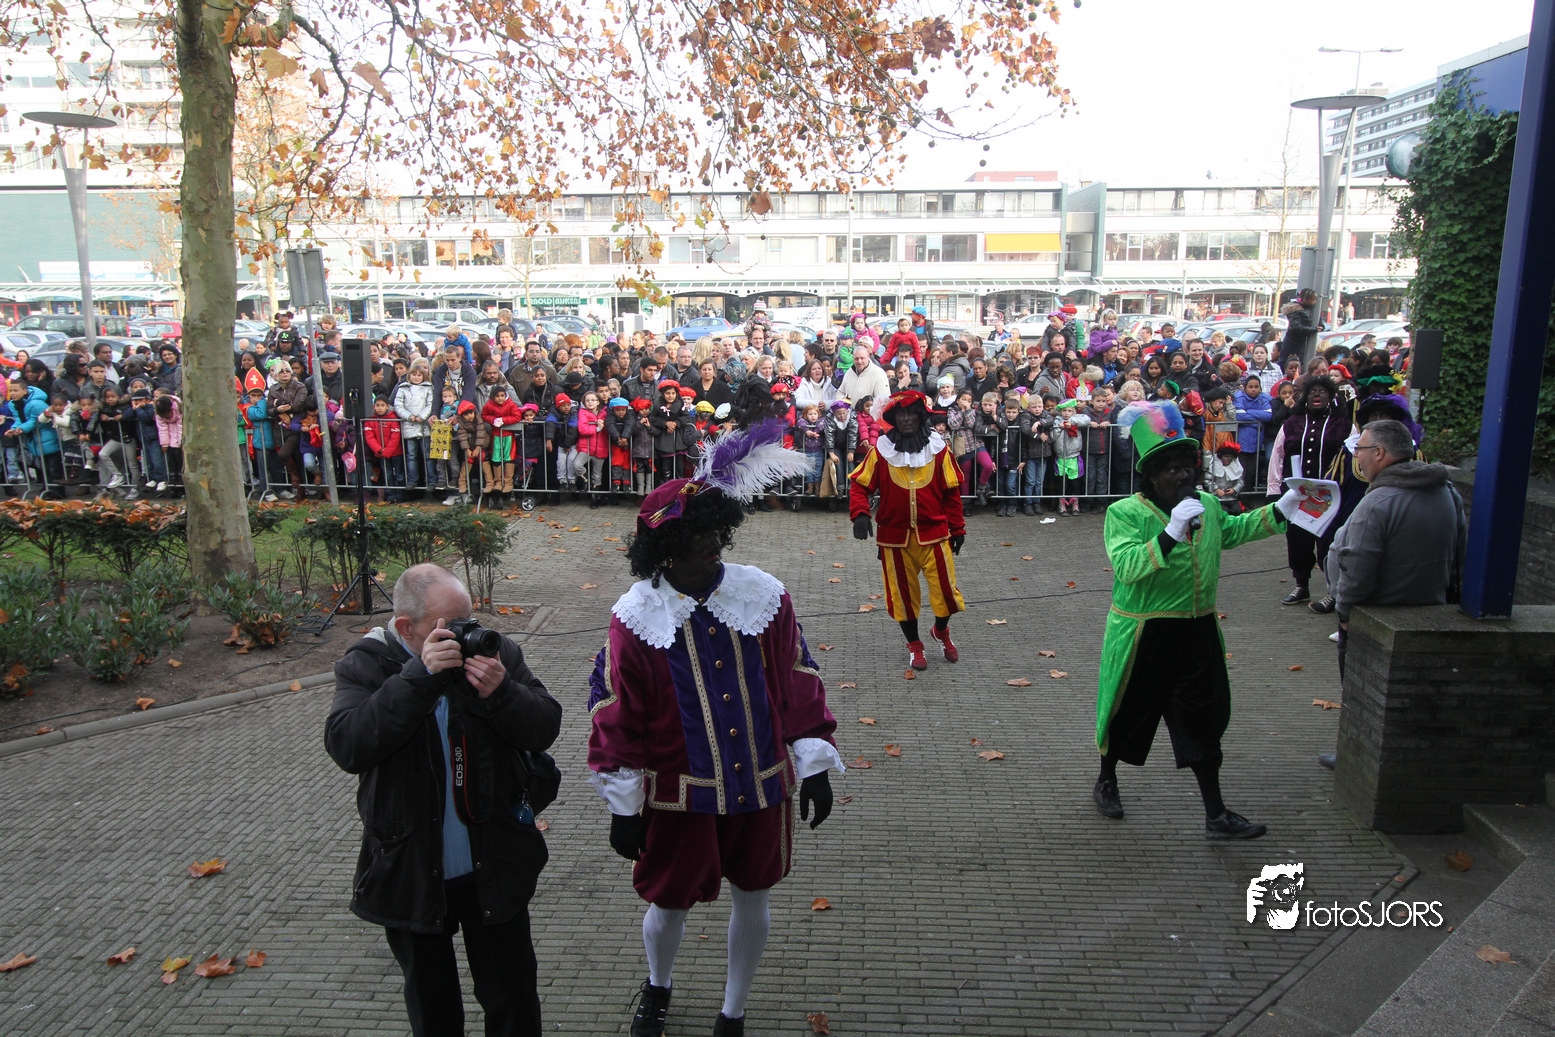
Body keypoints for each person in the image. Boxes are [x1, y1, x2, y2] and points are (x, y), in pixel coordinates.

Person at [586, 427, 840, 1037]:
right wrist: (623, 805)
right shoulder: (636, 619)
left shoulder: (763, 595)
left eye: (712, 531)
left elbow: (798, 677)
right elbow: (615, 712)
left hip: (762, 785)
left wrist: (814, 762)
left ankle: (734, 1011)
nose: (708, 544)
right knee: (668, 903)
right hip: (678, 797)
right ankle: (658, 985)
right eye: (692, 536)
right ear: (664, 549)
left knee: (755, 895)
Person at [325, 563, 561, 1037]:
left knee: (513, 1000)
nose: (467, 633)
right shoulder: (368, 664)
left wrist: (503, 692)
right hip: (412, 868)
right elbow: (348, 745)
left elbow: (544, 726)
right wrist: (419, 678)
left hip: (493, 862)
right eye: (451, 626)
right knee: (434, 1012)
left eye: (469, 619)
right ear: (405, 627)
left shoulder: (495, 651)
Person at [1093, 401, 1296, 839]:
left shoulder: (1204, 504)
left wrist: (1282, 509)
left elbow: (1233, 531)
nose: (1184, 476)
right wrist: (1170, 533)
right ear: (1152, 475)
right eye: (1173, 469)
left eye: (1188, 466)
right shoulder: (1125, 513)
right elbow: (1127, 567)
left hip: (1196, 631)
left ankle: (1216, 814)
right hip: (1145, 632)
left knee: (1202, 722)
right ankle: (1107, 778)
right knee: (1126, 712)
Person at [1316, 419, 1466, 770]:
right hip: (1430, 614)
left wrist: (1345, 613)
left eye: (1360, 450)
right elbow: (1460, 552)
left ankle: (1355, 756)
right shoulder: (1447, 493)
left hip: (1375, 618)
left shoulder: (1378, 502)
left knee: (1361, 693)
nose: (1357, 457)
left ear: (1380, 453)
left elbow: (1358, 563)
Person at [849, 391, 968, 671]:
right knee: (902, 598)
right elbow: (859, 485)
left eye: (911, 413)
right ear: (893, 419)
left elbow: (951, 493)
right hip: (894, 540)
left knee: (947, 594)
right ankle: (914, 645)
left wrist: (958, 527)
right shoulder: (880, 451)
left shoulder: (939, 450)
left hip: (935, 535)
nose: (906, 419)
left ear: (920, 417)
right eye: (900, 414)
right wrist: (861, 515)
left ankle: (940, 631)